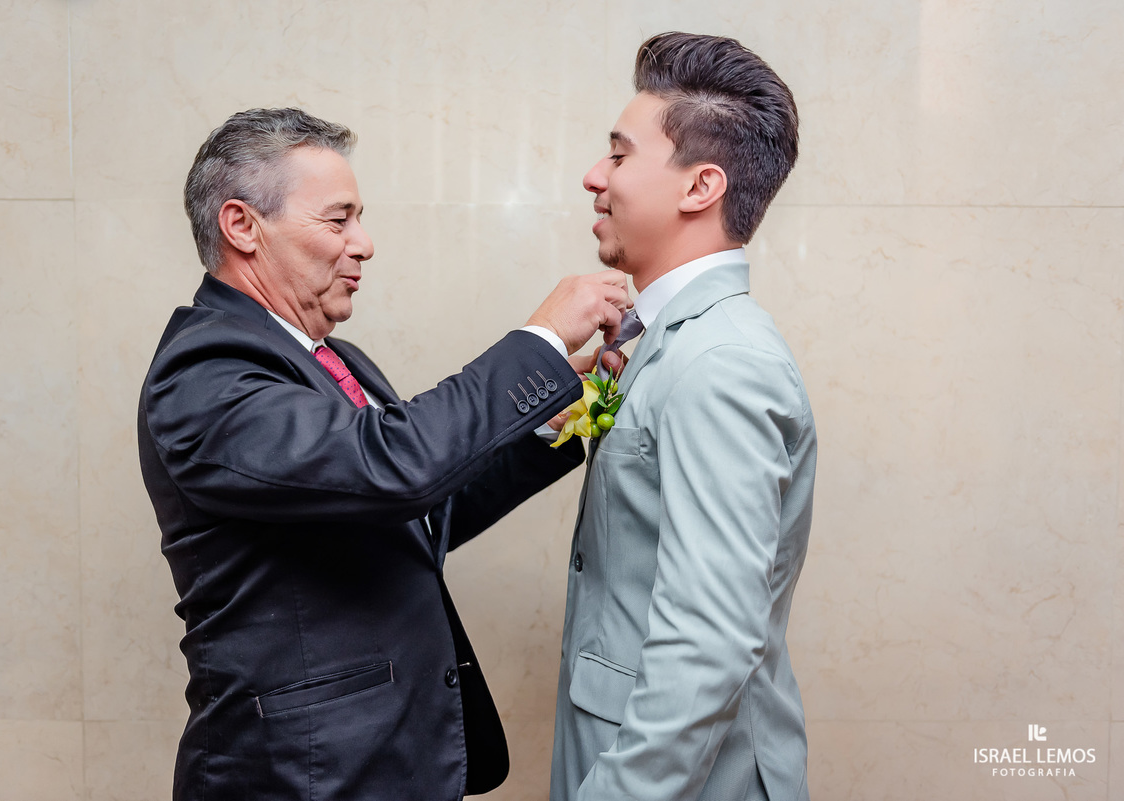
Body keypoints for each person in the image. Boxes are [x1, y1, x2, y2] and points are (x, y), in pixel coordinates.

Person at [137, 107, 630, 801]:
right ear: (242, 226)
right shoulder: (204, 373)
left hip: (390, 757)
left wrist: (549, 420)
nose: (364, 244)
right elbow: (393, 464)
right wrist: (541, 342)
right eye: (338, 220)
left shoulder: (336, 359)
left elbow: (417, 506)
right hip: (303, 775)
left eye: (359, 219)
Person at [550, 33, 817, 801]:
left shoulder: (721, 362)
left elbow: (708, 640)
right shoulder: (669, 340)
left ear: (701, 186)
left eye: (619, 154)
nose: (594, 175)